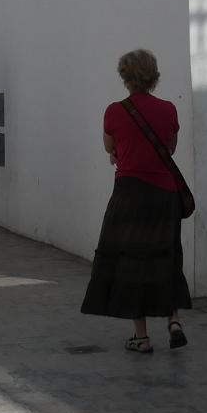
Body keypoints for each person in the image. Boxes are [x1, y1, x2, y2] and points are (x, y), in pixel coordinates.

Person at [79, 49, 192, 353]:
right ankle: (173, 320)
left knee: (131, 260)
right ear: (154, 76)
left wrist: (121, 151)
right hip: (164, 194)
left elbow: (110, 148)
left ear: (125, 78)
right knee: (166, 255)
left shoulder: (115, 111)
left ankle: (141, 337)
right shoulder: (168, 109)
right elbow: (170, 147)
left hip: (129, 193)